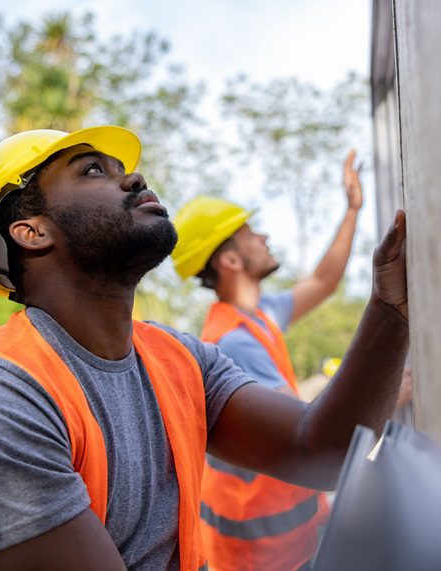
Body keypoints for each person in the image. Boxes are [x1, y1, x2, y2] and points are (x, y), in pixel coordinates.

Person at [0, 126, 409, 571]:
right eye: (92, 171)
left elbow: (319, 450)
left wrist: (392, 311)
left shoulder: (178, 358)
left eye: (124, 169)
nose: (134, 179)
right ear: (32, 231)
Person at [171, 152, 364, 571]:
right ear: (231, 261)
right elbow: (307, 432)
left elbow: (323, 281)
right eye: (250, 233)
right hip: (265, 553)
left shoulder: (257, 317)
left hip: (285, 540)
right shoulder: (235, 342)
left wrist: (351, 211)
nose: (264, 237)